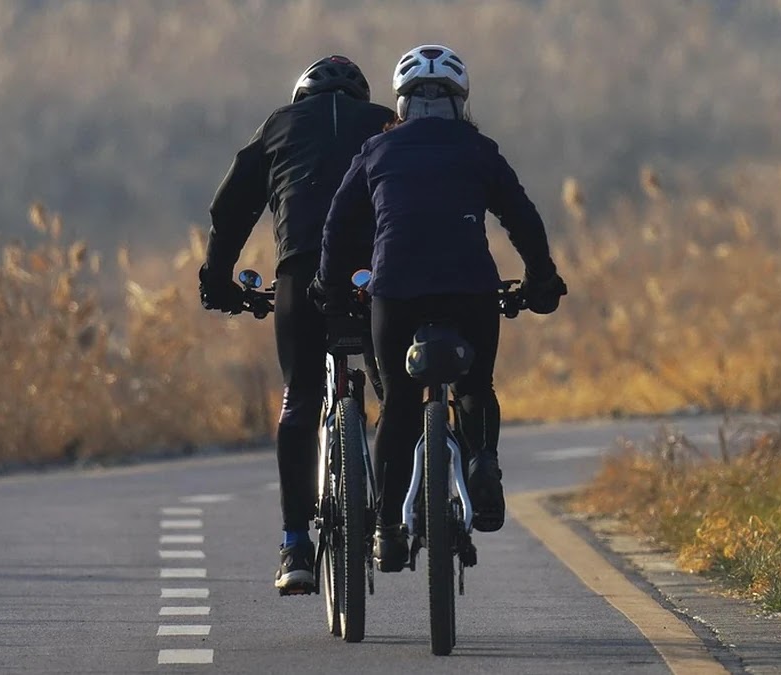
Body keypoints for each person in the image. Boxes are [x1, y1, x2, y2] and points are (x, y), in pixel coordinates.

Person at [311, 45, 567, 572]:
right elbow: (523, 219)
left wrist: (328, 285)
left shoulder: (375, 153)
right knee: (475, 387)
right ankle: (483, 463)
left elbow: (337, 224)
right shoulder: (480, 151)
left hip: (396, 292)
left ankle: (385, 530)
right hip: (470, 291)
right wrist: (542, 280)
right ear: (460, 103)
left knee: (400, 406)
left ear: (400, 105)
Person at [198, 55, 394, 593]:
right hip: (378, 273)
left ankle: (294, 547)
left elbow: (231, 209)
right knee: (394, 394)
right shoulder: (386, 121)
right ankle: (394, 525)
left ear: (300, 96)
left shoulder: (278, 126)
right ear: (362, 97)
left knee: (301, 397)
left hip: (302, 270)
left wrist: (217, 281)